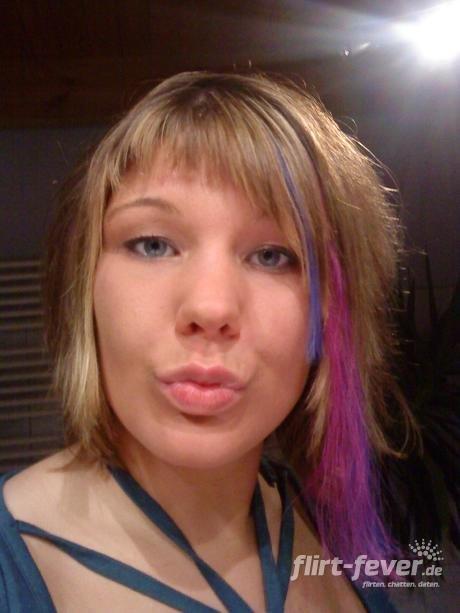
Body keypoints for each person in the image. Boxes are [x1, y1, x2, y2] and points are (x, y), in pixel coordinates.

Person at [0, 71, 415, 611]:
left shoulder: (334, 538)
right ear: (84, 287)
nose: (211, 308)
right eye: (152, 245)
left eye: (272, 256)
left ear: (333, 310)